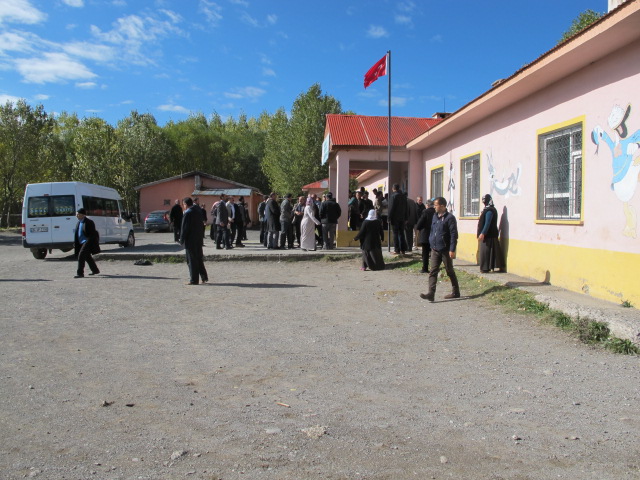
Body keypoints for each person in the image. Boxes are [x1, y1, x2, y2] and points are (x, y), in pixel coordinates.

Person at [420, 197, 460, 301]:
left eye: (436, 205)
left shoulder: (450, 218)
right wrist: (431, 241)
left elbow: (453, 234)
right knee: (433, 271)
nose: (434, 207)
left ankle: (456, 292)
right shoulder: (435, 216)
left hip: (445, 249)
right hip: (435, 249)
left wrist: (452, 249)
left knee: (449, 271)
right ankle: (431, 293)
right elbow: (433, 230)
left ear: (442, 206)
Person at [179, 197, 208, 285]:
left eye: (183, 204)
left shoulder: (187, 213)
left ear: (186, 204)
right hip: (198, 238)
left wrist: (182, 239)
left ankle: (194, 280)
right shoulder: (198, 210)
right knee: (199, 258)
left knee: (191, 260)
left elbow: (184, 228)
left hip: (190, 239)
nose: (183, 206)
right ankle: (204, 277)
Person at [477, 194, 504, 273]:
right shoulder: (487, 209)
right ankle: (488, 267)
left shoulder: (490, 210)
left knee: (486, 252)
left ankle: (486, 268)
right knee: (488, 252)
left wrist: (483, 233)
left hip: (489, 235)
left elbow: (487, 223)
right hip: (489, 235)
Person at [73, 208, 100, 278]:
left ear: (83, 215)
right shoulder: (79, 222)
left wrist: (88, 242)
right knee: (87, 257)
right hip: (81, 242)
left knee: (81, 256)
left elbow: (92, 234)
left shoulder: (89, 222)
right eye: (76, 214)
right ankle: (95, 270)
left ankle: (80, 273)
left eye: (78, 214)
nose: (76, 215)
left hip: (87, 242)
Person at [415, 198, 436, 273]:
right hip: (434, 234)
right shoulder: (435, 212)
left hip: (425, 234)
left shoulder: (425, 212)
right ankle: (434, 267)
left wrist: (419, 227)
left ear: (427, 205)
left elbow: (420, 223)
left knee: (425, 253)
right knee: (434, 252)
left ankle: (425, 268)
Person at [388, 183, 408, 254]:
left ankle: (397, 249)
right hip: (402, 217)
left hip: (395, 218)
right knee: (401, 233)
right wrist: (406, 218)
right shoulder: (404, 197)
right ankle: (403, 249)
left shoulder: (393, 196)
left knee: (395, 233)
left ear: (393, 188)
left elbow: (391, 208)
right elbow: (406, 208)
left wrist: (389, 217)